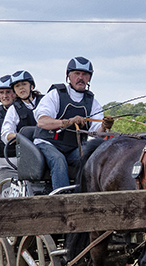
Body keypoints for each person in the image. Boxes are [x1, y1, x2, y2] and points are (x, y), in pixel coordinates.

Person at [33, 56, 113, 191]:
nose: (80, 78)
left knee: (93, 157)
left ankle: (85, 193)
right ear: (69, 76)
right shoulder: (56, 94)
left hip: (72, 148)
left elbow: (97, 133)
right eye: (77, 74)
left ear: (89, 78)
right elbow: (42, 122)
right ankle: (63, 198)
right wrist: (68, 122)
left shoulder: (92, 102)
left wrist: (105, 126)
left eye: (85, 74)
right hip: (47, 143)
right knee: (58, 160)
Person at [0, 69, 44, 150]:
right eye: (17, 86)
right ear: (14, 91)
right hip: (29, 151)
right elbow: (5, 135)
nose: (21, 88)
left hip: (50, 145)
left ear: (32, 86)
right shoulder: (14, 109)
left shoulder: (45, 101)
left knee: (58, 158)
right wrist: (21, 136)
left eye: (24, 84)